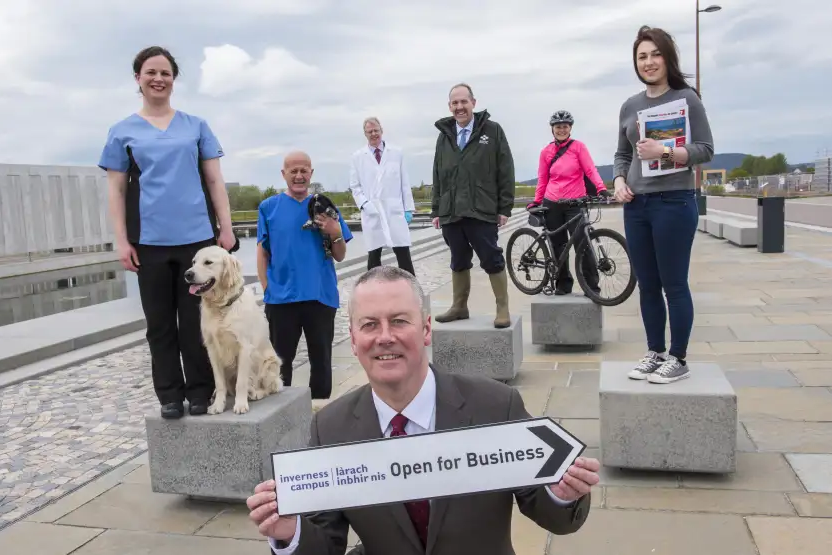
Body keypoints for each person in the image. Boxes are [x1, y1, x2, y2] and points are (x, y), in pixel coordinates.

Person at [247, 266, 600, 554]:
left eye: (399, 321)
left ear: (426, 329)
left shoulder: (495, 405)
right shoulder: (330, 428)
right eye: (370, 325)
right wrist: (290, 532)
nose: (385, 336)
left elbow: (549, 511)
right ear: (353, 340)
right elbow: (325, 542)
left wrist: (562, 495)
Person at [98, 46, 236, 419]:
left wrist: (225, 228)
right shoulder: (122, 131)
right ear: (138, 78)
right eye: (151, 72)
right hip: (150, 243)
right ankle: (170, 395)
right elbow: (117, 190)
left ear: (174, 79)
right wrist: (122, 240)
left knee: (196, 323)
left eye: (165, 73)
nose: (158, 79)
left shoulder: (196, 126)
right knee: (159, 324)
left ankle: (201, 391)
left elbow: (214, 179)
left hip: (197, 240)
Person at [613, 25, 714, 384]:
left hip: (674, 202)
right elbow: (622, 154)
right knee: (647, 284)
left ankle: (678, 357)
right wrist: (619, 180)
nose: (649, 62)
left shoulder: (687, 99)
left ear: (668, 57)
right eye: (642, 56)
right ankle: (654, 352)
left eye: (655, 54)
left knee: (674, 284)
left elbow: (705, 149)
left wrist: (665, 151)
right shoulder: (630, 105)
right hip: (637, 206)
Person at [256, 151, 354, 400]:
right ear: (284, 174)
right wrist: (267, 288)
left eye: (304, 171)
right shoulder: (268, 208)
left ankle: (320, 410)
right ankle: (281, 410)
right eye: (293, 171)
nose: (299, 176)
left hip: (320, 295)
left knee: (321, 361)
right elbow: (263, 253)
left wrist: (334, 232)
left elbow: (340, 255)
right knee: (280, 363)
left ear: (311, 173)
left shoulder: (326, 208)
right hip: (281, 299)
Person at [431, 83, 516, 329]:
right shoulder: (444, 136)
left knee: (491, 257)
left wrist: (504, 207)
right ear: (450, 106)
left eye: (463, 102)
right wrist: (436, 210)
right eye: (455, 103)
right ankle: (459, 306)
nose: (459, 107)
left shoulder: (492, 130)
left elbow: (505, 169)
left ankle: (502, 307)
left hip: (482, 208)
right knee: (458, 259)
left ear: (473, 103)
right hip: (451, 210)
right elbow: (438, 174)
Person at [527, 110, 610, 296]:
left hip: (575, 203)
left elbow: (590, 170)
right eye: (558, 127)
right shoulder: (546, 152)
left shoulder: (578, 147)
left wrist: (601, 188)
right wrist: (537, 201)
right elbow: (542, 179)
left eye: (565, 126)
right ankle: (563, 284)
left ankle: (591, 287)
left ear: (570, 128)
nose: (561, 130)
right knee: (558, 245)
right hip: (552, 203)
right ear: (552, 129)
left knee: (583, 244)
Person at [349, 117, 416, 275]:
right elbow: (355, 186)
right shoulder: (358, 157)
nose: (373, 134)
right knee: (374, 255)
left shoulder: (396, 153)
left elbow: (404, 183)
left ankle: (411, 286)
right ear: (365, 134)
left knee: (403, 253)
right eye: (370, 131)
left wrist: (408, 208)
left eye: (376, 130)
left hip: (394, 210)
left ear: (381, 131)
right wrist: (364, 204)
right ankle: (372, 287)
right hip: (372, 211)